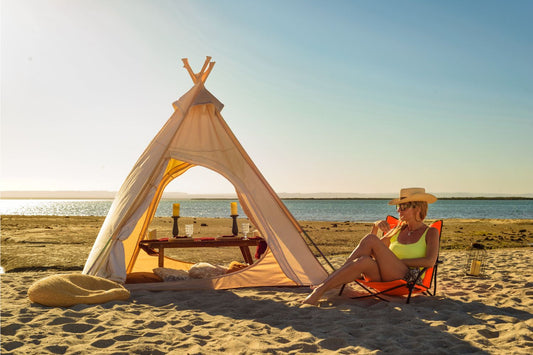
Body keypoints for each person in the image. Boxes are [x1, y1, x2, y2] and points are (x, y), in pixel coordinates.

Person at [302, 187, 439, 305]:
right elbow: (371, 251)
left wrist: (397, 262)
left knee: (372, 239)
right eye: (398, 207)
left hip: (408, 279)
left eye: (403, 207)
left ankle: (323, 287)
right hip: (385, 277)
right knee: (364, 260)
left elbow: (430, 261)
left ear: (418, 208)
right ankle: (323, 288)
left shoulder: (430, 232)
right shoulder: (398, 230)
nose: (399, 211)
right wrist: (375, 226)